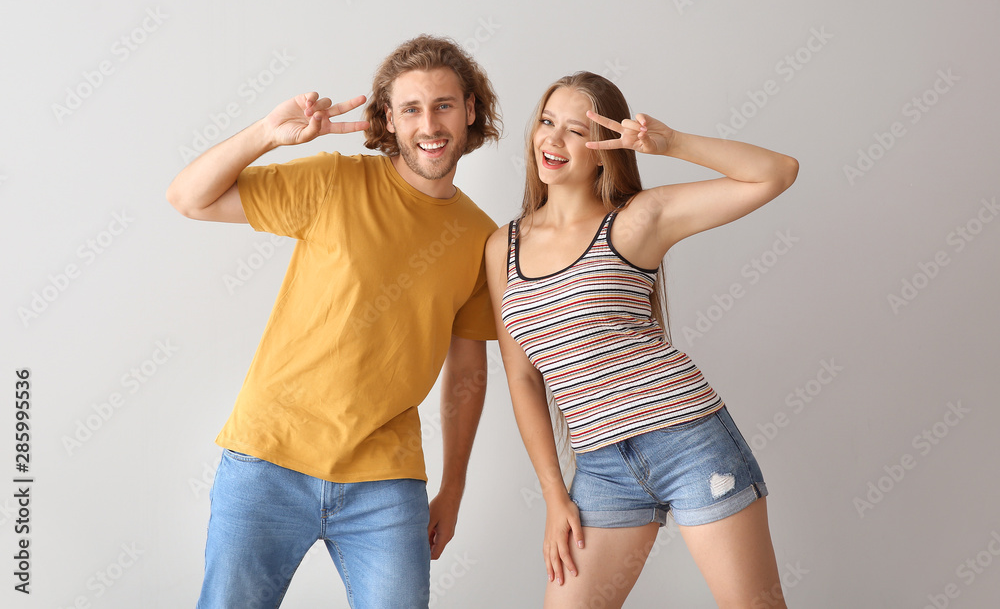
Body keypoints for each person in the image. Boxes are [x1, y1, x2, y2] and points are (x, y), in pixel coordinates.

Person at [166, 34, 502, 609]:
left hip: (385, 479)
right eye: (411, 109)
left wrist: (454, 486)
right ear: (388, 121)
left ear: (470, 111)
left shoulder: (481, 239)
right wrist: (266, 135)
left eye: (444, 105)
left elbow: (468, 365)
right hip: (269, 458)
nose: (430, 124)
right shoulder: (334, 181)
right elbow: (188, 198)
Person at [484, 71, 798, 608]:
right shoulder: (501, 246)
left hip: (690, 442)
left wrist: (670, 144)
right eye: (546, 121)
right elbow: (522, 377)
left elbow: (777, 173)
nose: (553, 140)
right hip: (601, 470)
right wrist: (554, 494)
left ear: (604, 149)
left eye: (576, 130)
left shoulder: (637, 220)